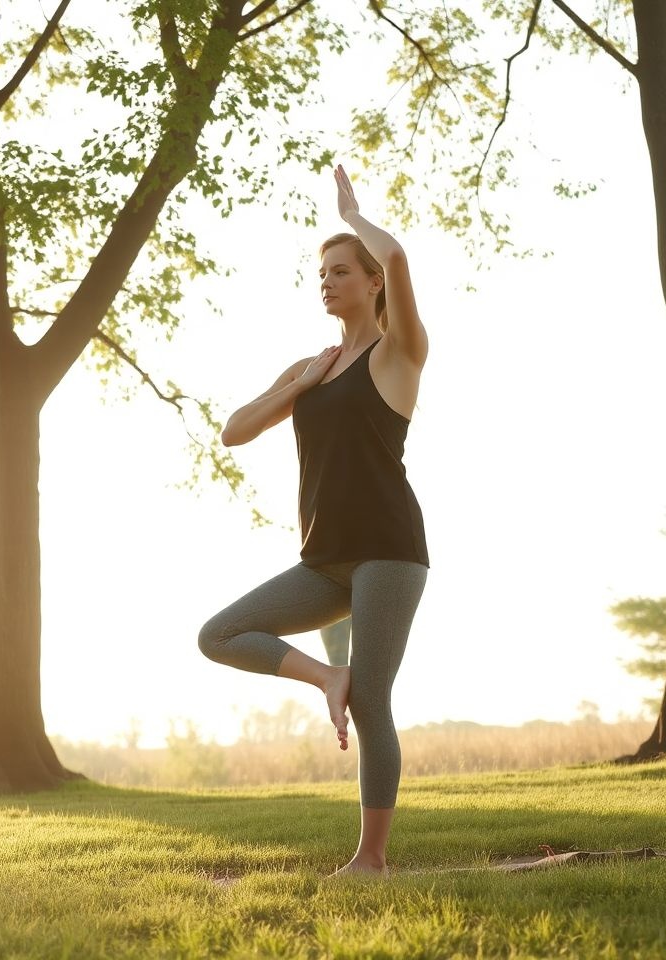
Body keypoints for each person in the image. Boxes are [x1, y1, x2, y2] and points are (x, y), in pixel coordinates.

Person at [198, 164, 429, 879]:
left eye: (339, 271)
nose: (326, 281)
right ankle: (328, 679)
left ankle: (372, 858)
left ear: (370, 283)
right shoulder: (313, 363)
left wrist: (353, 214)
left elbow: (397, 255)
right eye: (320, 273)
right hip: (323, 557)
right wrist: (295, 389)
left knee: (375, 701)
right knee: (220, 634)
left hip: (388, 552)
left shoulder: (400, 354)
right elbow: (235, 431)